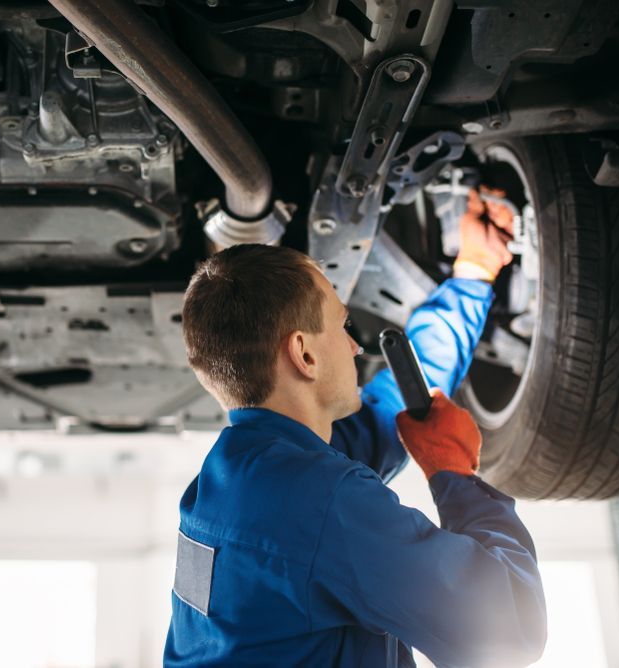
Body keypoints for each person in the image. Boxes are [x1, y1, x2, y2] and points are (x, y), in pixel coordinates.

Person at [164, 188, 547, 667]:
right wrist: (457, 478)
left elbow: (388, 413)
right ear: (304, 354)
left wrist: (472, 276)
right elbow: (510, 628)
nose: (355, 347)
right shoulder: (317, 500)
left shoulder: (236, 476)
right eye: (343, 327)